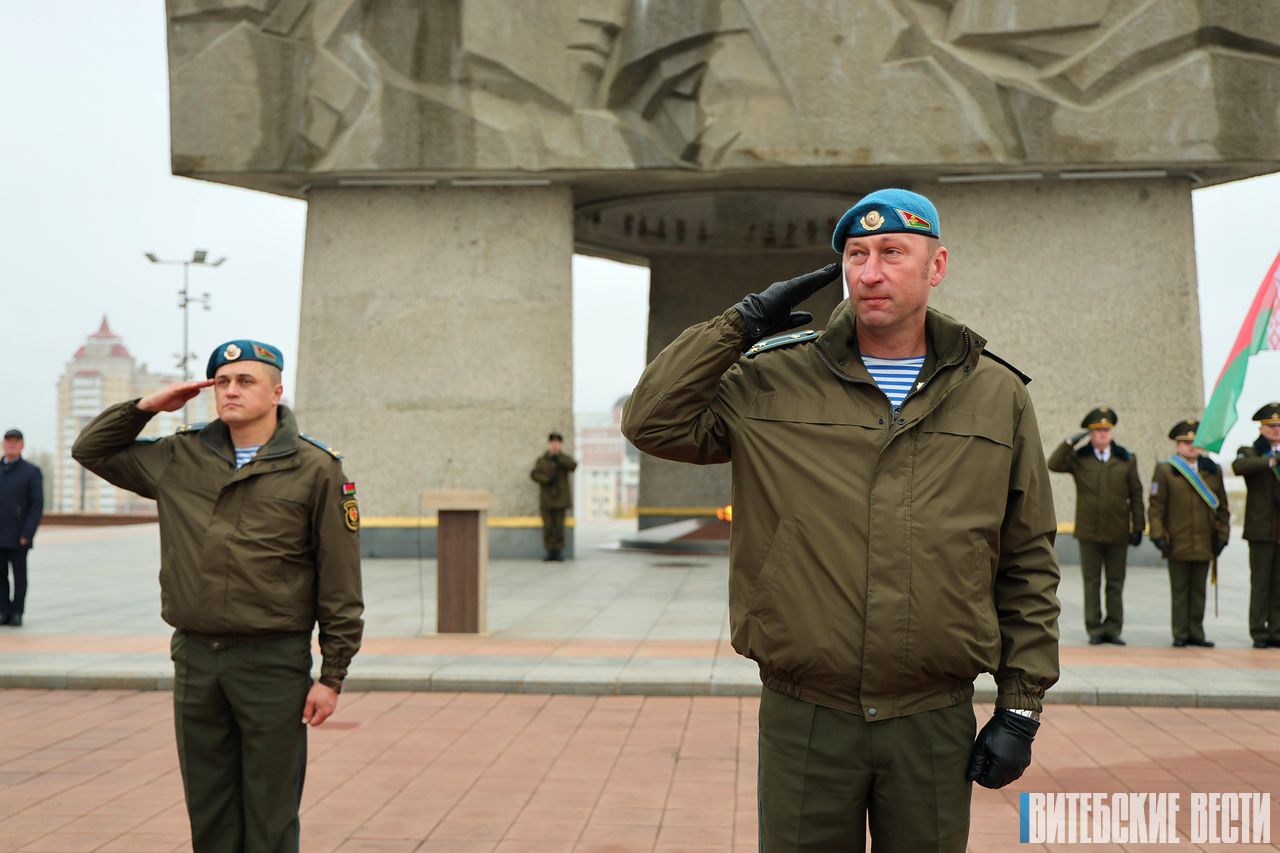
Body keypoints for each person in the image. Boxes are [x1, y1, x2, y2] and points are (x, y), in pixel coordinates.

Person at [622, 188, 1061, 851]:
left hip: (932, 718)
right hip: (806, 714)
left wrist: (1021, 704)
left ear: (936, 266)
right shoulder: (773, 378)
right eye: (857, 254)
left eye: (892, 252)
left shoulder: (994, 395)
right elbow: (651, 420)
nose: (871, 272)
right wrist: (737, 325)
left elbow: (1026, 558)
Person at [72, 339, 364, 853]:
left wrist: (332, 674)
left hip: (272, 662)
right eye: (222, 382)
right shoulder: (178, 456)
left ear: (277, 391)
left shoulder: (316, 468)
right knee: (208, 807)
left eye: (245, 381)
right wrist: (147, 407)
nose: (231, 390)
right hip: (197, 657)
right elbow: (91, 450)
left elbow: (339, 581)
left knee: (270, 810)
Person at [1047, 406, 1145, 645]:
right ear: (1090, 434)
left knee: (1115, 582)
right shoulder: (1080, 459)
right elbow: (1053, 463)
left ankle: (1113, 628)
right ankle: (1094, 628)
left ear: (1111, 432)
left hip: (1118, 530)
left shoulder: (1126, 458)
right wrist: (1071, 441)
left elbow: (1136, 494)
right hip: (1089, 531)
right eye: (1097, 430)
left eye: (1106, 430)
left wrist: (1138, 527)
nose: (1102, 434)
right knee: (1091, 582)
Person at [1149, 418, 1229, 648]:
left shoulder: (1212, 471)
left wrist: (1222, 536)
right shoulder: (1166, 470)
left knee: (1199, 590)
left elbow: (1222, 506)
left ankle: (1197, 631)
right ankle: (1180, 633)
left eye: (1195, 442)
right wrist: (1158, 535)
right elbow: (1156, 507)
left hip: (1205, 540)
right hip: (1177, 540)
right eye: (1185, 442)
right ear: (1177, 445)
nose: (1191, 446)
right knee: (1180, 590)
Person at [1231, 402, 1280, 648]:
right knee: (1260, 583)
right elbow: (1239, 467)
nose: (1276, 430)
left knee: (1278, 585)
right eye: (1271, 426)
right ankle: (1258, 631)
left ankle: (1277, 630)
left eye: (1279, 426)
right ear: (1261, 428)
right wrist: (1270, 462)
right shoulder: (1251, 452)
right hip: (1261, 529)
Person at [0, 428, 42, 628]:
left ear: (22, 445)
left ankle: (17, 611)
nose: (11, 445)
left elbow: (36, 506)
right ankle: (2, 610)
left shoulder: (31, 472)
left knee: (19, 576)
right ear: (3, 444)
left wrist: (27, 533)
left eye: (15, 441)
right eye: (8, 441)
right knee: (0, 576)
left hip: (19, 535)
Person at [530, 431, 577, 561]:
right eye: (552, 443)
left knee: (559, 526)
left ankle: (559, 550)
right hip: (547, 499)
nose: (555, 445)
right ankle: (549, 551)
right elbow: (534, 474)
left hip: (561, 499)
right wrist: (546, 479)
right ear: (549, 443)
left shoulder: (564, 458)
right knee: (548, 526)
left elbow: (573, 466)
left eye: (557, 443)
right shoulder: (542, 460)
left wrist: (558, 459)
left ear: (560, 444)